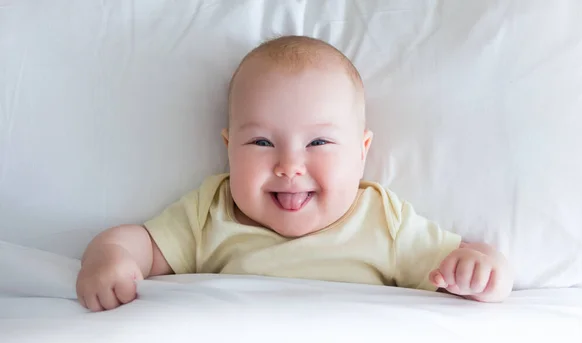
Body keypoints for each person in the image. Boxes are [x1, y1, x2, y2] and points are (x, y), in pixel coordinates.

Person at [76, 35, 513, 312]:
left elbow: (460, 262)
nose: (289, 167)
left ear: (362, 153)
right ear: (229, 149)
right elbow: (141, 244)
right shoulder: (212, 212)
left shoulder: (382, 220)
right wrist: (110, 256)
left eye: (319, 143)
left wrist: (482, 270)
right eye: (262, 143)